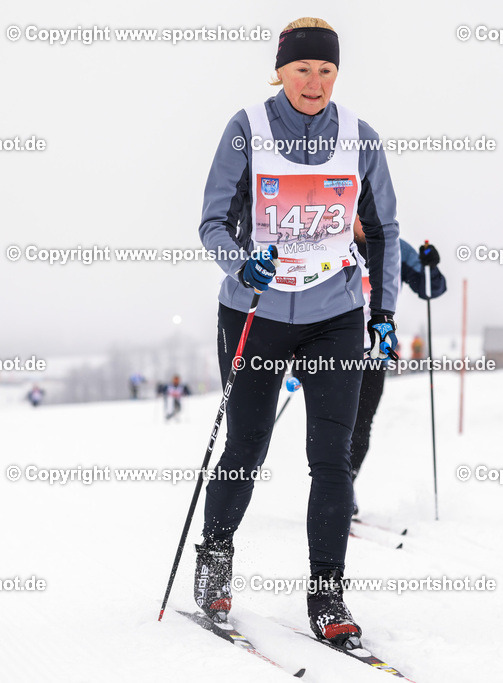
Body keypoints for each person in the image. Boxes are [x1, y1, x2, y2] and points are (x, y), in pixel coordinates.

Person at [194, 17, 401, 646]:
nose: (314, 82)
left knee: (330, 459)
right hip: (255, 313)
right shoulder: (245, 131)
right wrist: (240, 260)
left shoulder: (361, 140)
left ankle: (327, 594)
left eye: (326, 70)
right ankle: (216, 560)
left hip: (334, 314)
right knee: (246, 449)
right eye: (302, 69)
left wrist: (385, 314)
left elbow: (385, 232)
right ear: (280, 71)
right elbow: (211, 223)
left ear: (338, 74)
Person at [350, 229, 446, 514]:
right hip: (331, 348)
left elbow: (431, 289)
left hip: (374, 352)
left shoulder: (396, 248)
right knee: (332, 422)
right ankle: (328, 485)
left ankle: (344, 486)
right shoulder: (333, 241)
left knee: (362, 423)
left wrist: (431, 267)